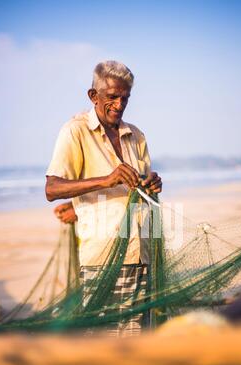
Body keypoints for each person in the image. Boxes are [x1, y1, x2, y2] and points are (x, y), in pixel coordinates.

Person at [45, 61, 162, 335]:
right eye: (112, 97)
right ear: (93, 96)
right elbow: (52, 189)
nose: (119, 105)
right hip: (102, 257)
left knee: (135, 340)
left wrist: (153, 183)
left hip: (139, 253)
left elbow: (142, 189)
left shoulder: (136, 136)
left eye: (125, 98)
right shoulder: (75, 131)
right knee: (105, 344)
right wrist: (107, 180)